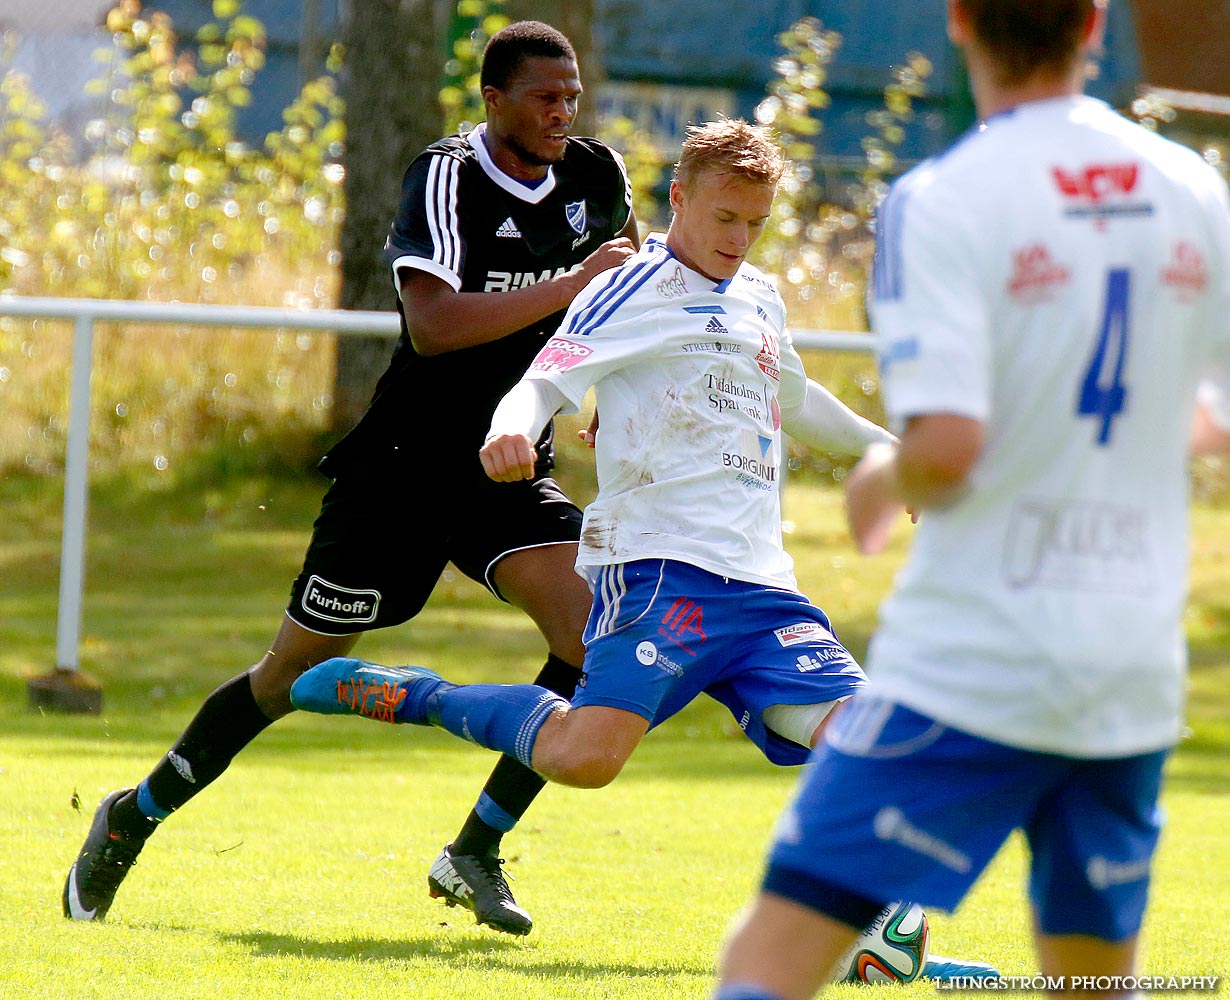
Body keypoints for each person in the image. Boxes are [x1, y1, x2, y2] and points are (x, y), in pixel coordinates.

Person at [290, 120, 994, 982]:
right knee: (587, 759)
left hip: (765, 589)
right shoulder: (632, 289)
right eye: (725, 218)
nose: (737, 240)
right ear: (680, 198)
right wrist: (511, 430)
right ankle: (419, 695)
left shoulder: (761, 298)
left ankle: (878, 938)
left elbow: (804, 406)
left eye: (754, 224)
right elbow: (546, 379)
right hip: (660, 571)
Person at [63, 20, 637, 935]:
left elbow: (623, 297)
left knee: (591, 627)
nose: (563, 111)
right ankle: (133, 814)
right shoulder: (444, 175)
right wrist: (572, 281)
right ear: (494, 101)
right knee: (290, 675)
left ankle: (474, 850)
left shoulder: (596, 176)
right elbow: (435, 326)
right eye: (544, 96)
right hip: (401, 473)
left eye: (571, 94)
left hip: (509, 461)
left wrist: (607, 386)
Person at [712, 3, 1230, 999]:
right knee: (1087, 982)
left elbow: (946, 447)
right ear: (1093, 22)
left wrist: (874, 477)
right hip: (1126, 663)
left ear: (959, 21)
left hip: (975, 659)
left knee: (770, 960)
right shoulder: (1191, 186)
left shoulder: (942, 197)